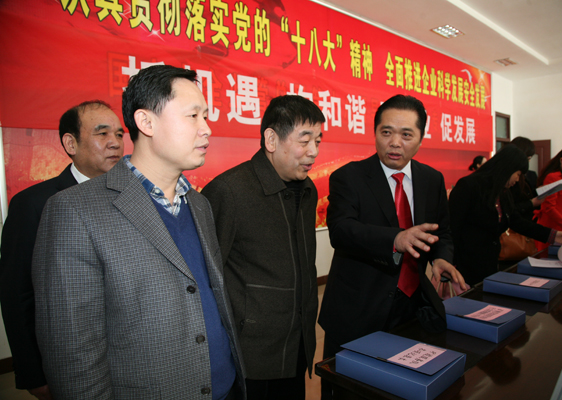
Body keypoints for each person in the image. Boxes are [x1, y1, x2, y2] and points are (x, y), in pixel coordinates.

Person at [32, 65, 245, 399]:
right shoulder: (75, 211)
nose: (206, 129)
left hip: (226, 387)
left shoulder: (199, 204)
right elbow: (73, 355)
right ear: (146, 122)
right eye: (193, 116)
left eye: (206, 116)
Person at [318, 94, 466, 399]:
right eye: (386, 132)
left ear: (421, 138)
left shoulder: (431, 179)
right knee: (350, 391)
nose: (395, 143)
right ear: (375, 133)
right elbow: (341, 231)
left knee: (401, 388)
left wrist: (440, 258)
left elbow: (442, 233)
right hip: (358, 309)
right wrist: (395, 239)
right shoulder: (349, 177)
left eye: (406, 135)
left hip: (411, 307)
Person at [202, 95, 324, 400]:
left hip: (297, 342)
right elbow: (207, 279)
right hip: (250, 355)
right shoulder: (229, 191)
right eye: (304, 140)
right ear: (271, 139)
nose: (313, 151)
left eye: (318, 141)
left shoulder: (308, 189)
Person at [0, 100, 124, 400]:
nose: (115, 143)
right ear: (71, 143)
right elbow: (17, 294)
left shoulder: (131, 198)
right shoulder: (34, 204)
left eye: (119, 134)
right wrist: (33, 373)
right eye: (102, 133)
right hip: (71, 364)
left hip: (127, 359)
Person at [449, 145, 562, 286]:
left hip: (489, 265)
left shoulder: (502, 192)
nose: (518, 179)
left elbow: (516, 221)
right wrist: (450, 264)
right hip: (464, 267)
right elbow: (452, 228)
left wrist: (552, 235)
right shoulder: (468, 186)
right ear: (507, 168)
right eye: (518, 174)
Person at [510, 136, 543, 221]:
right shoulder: (509, 178)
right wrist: (531, 203)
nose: (528, 162)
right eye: (528, 159)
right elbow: (510, 208)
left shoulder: (530, 175)